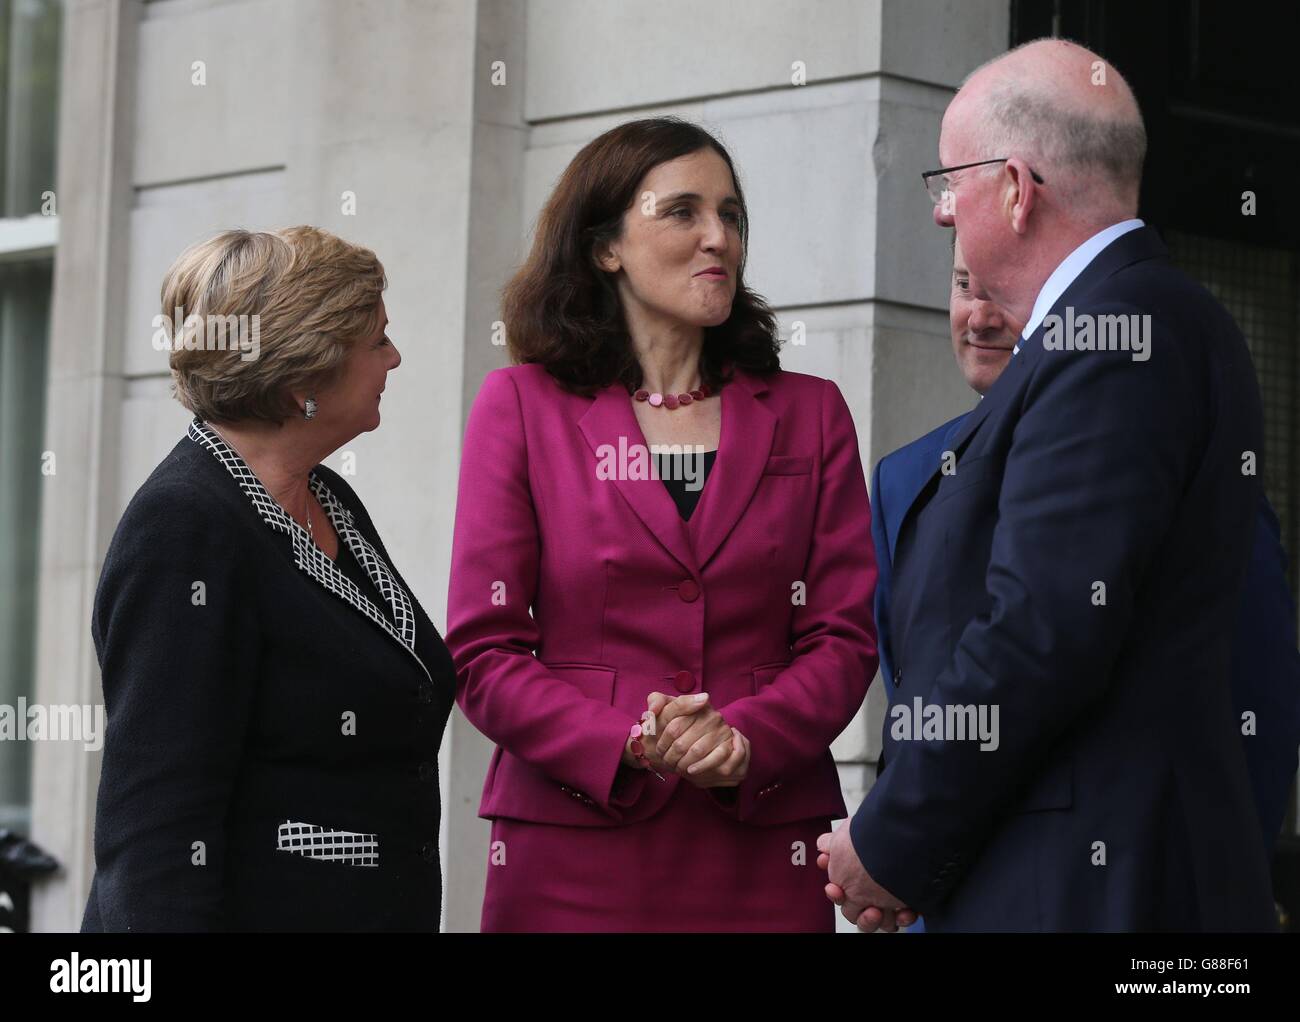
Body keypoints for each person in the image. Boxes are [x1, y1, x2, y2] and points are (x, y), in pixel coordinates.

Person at [820, 38, 1278, 932]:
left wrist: (890, 841)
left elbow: (1042, 628)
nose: (944, 213)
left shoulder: (1114, 331)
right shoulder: (1125, 321)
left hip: (1097, 890)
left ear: (1017, 189)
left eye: (948, 183)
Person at [445, 116, 884, 931]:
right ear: (606, 246)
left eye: (731, 214)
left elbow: (844, 636)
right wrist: (628, 742)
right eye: (682, 211)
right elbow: (483, 650)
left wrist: (745, 739)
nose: (719, 236)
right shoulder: (518, 409)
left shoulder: (811, 413)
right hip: (572, 850)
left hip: (760, 841)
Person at [868, 235, 1300, 932]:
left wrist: (1215, 884)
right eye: (961, 287)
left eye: (999, 293)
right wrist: (905, 864)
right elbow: (912, 698)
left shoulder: (1170, 449)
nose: (978, 316)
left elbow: (1261, 699)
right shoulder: (903, 476)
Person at [82, 226, 455, 931]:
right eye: (377, 341)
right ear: (301, 382)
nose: (395, 358)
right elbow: (155, 833)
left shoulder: (327, 500)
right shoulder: (185, 528)